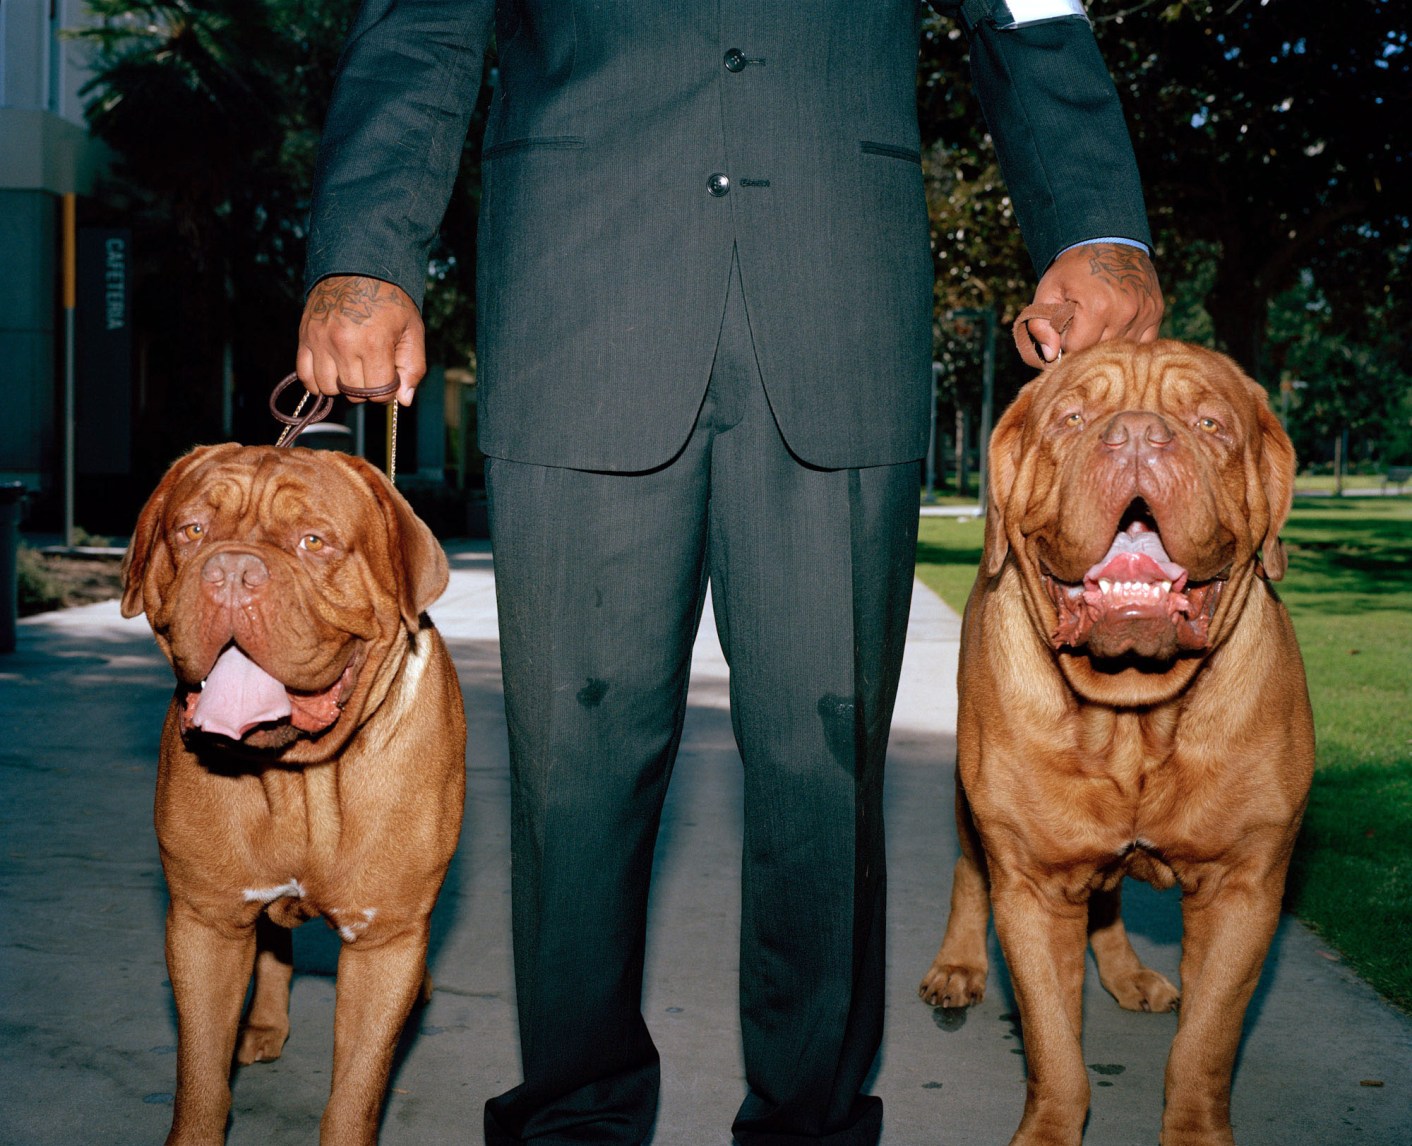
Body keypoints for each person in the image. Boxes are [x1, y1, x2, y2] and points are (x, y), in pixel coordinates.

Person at [296, 2, 1163, 1142]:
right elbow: (417, 25)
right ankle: (574, 1118)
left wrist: (1098, 220)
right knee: (573, 774)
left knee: (825, 776)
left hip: (837, 309)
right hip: (580, 302)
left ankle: (810, 1123)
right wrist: (365, 247)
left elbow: (1033, 5)